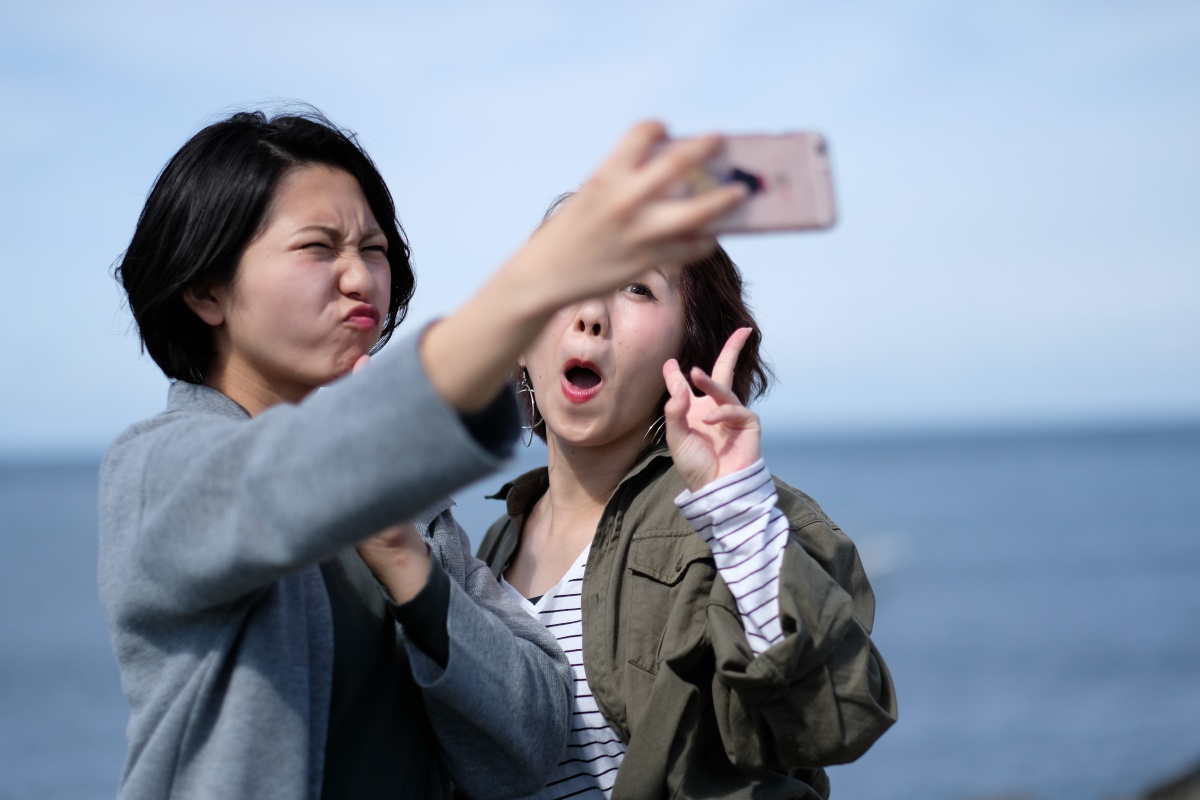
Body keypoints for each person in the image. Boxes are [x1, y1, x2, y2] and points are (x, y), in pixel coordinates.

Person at [98, 108, 748, 800]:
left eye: (373, 249)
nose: (359, 278)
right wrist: (532, 289)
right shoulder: (158, 473)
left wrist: (409, 564)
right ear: (206, 289)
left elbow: (530, 742)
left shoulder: (416, 518)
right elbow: (284, 479)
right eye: (319, 248)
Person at [474, 239, 898, 799]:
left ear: (689, 351)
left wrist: (736, 509)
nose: (590, 314)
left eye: (637, 288)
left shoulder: (737, 516)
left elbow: (834, 716)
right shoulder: (492, 546)